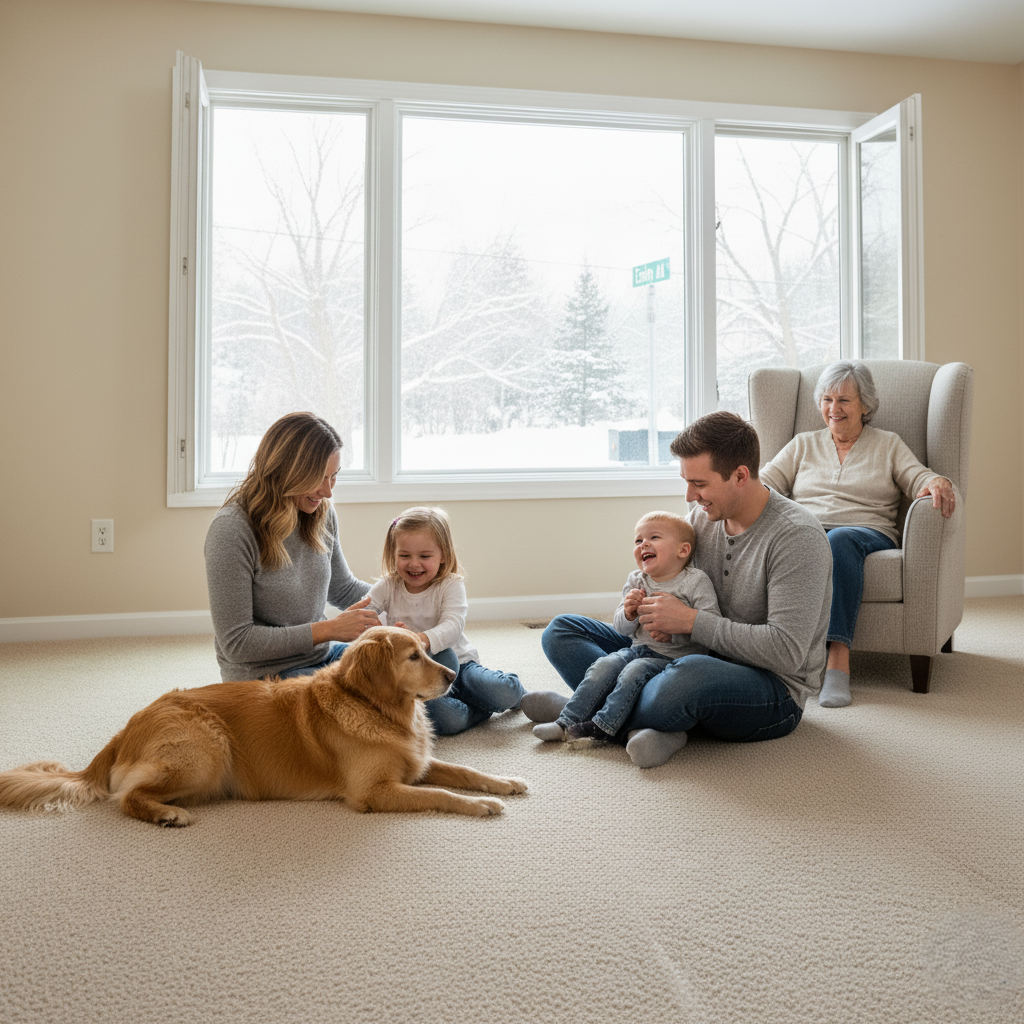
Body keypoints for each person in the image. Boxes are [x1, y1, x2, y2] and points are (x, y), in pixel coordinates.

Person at [524, 411, 832, 768]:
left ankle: (583, 710)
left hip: (769, 687)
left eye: (699, 483)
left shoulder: (797, 537)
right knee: (562, 630)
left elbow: (787, 652)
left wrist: (689, 621)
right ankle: (630, 721)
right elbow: (674, 580)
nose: (689, 495)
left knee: (687, 679)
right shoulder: (703, 517)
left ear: (740, 476)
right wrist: (646, 609)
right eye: (686, 482)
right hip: (684, 653)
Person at [759, 360, 956, 708]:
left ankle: (837, 662)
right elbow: (765, 483)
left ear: (865, 405)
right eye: (827, 400)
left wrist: (935, 481)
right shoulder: (803, 444)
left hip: (867, 532)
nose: (834, 409)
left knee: (838, 540)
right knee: (799, 542)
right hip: (809, 530)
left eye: (844, 401)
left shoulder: (888, 444)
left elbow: (917, 477)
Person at [204, 412, 380, 682]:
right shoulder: (231, 530)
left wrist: (406, 597)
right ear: (286, 471)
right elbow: (237, 643)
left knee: (415, 677)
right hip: (265, 676)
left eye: (334, 476)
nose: (328, 491)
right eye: (319, 477)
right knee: (427, 713)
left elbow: (342, 588)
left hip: (320, 658)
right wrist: (328, 630)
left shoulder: (320, 513)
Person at [533, 511, 720, 743]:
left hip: (674, 661)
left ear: (682, 550)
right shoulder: (636, 580)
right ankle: (566, 721)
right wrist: (628, 614)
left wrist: (675, 634)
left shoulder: (695, 582)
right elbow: (621, 630)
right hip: (637, 649)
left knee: (634, 671)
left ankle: (602, 727)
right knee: (604, 665)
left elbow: (710, 630)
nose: (644, 544)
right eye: (638, 540)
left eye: (654, 537)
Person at [367, 506, 526, 735]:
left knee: (503, 693)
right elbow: (364, 614)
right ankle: (479, 711)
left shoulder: (450, 584)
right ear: (393, 554)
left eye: (424, 556)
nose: (414, 564)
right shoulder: (387, 586)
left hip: (461, 665)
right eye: (404, 556)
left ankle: (517, 691)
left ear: (443, 555)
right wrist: (386, 632)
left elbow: (453, 626)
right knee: (447, 722)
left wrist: (419, 639)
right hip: (421, 675)